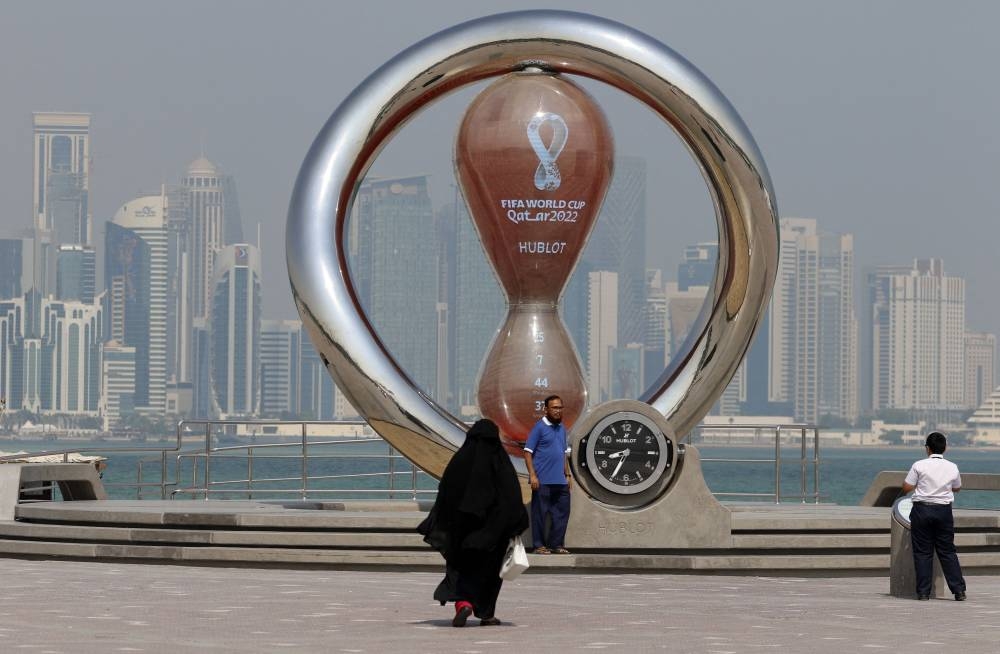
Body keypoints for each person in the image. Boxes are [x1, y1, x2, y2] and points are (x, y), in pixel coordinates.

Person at [417, 419, 528, 627]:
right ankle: (486, 614)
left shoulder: (460, 462)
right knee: (490, 575)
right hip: (493, 534)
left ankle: (463, 603)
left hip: (462, 531)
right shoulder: (500, 462)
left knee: (459, 569)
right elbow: (512, 498)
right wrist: (515, 525)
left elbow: (446, 495)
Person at [901, 431, 967, 601]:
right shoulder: (952, 467)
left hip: (922, 509)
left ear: (927, 448)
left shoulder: (919, 465)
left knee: (923, 552)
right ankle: (958, 590)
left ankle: (923, 592)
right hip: (944, 511)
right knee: (947, 551)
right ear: (945, 448)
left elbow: (907, 487)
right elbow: (957, 487)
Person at [523, 395, 571, 555]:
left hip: (561, 481)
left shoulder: (562, 428)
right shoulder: (539, 427)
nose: (558, 411)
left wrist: (568, 475)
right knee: (539, 515)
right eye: (554, 408)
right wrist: (533, 476)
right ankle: (538, 546)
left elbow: (564, 453)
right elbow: (527, 452)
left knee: (562, 514)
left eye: (560, 407)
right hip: (542, 481)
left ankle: (556, 544)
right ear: (546, 409)